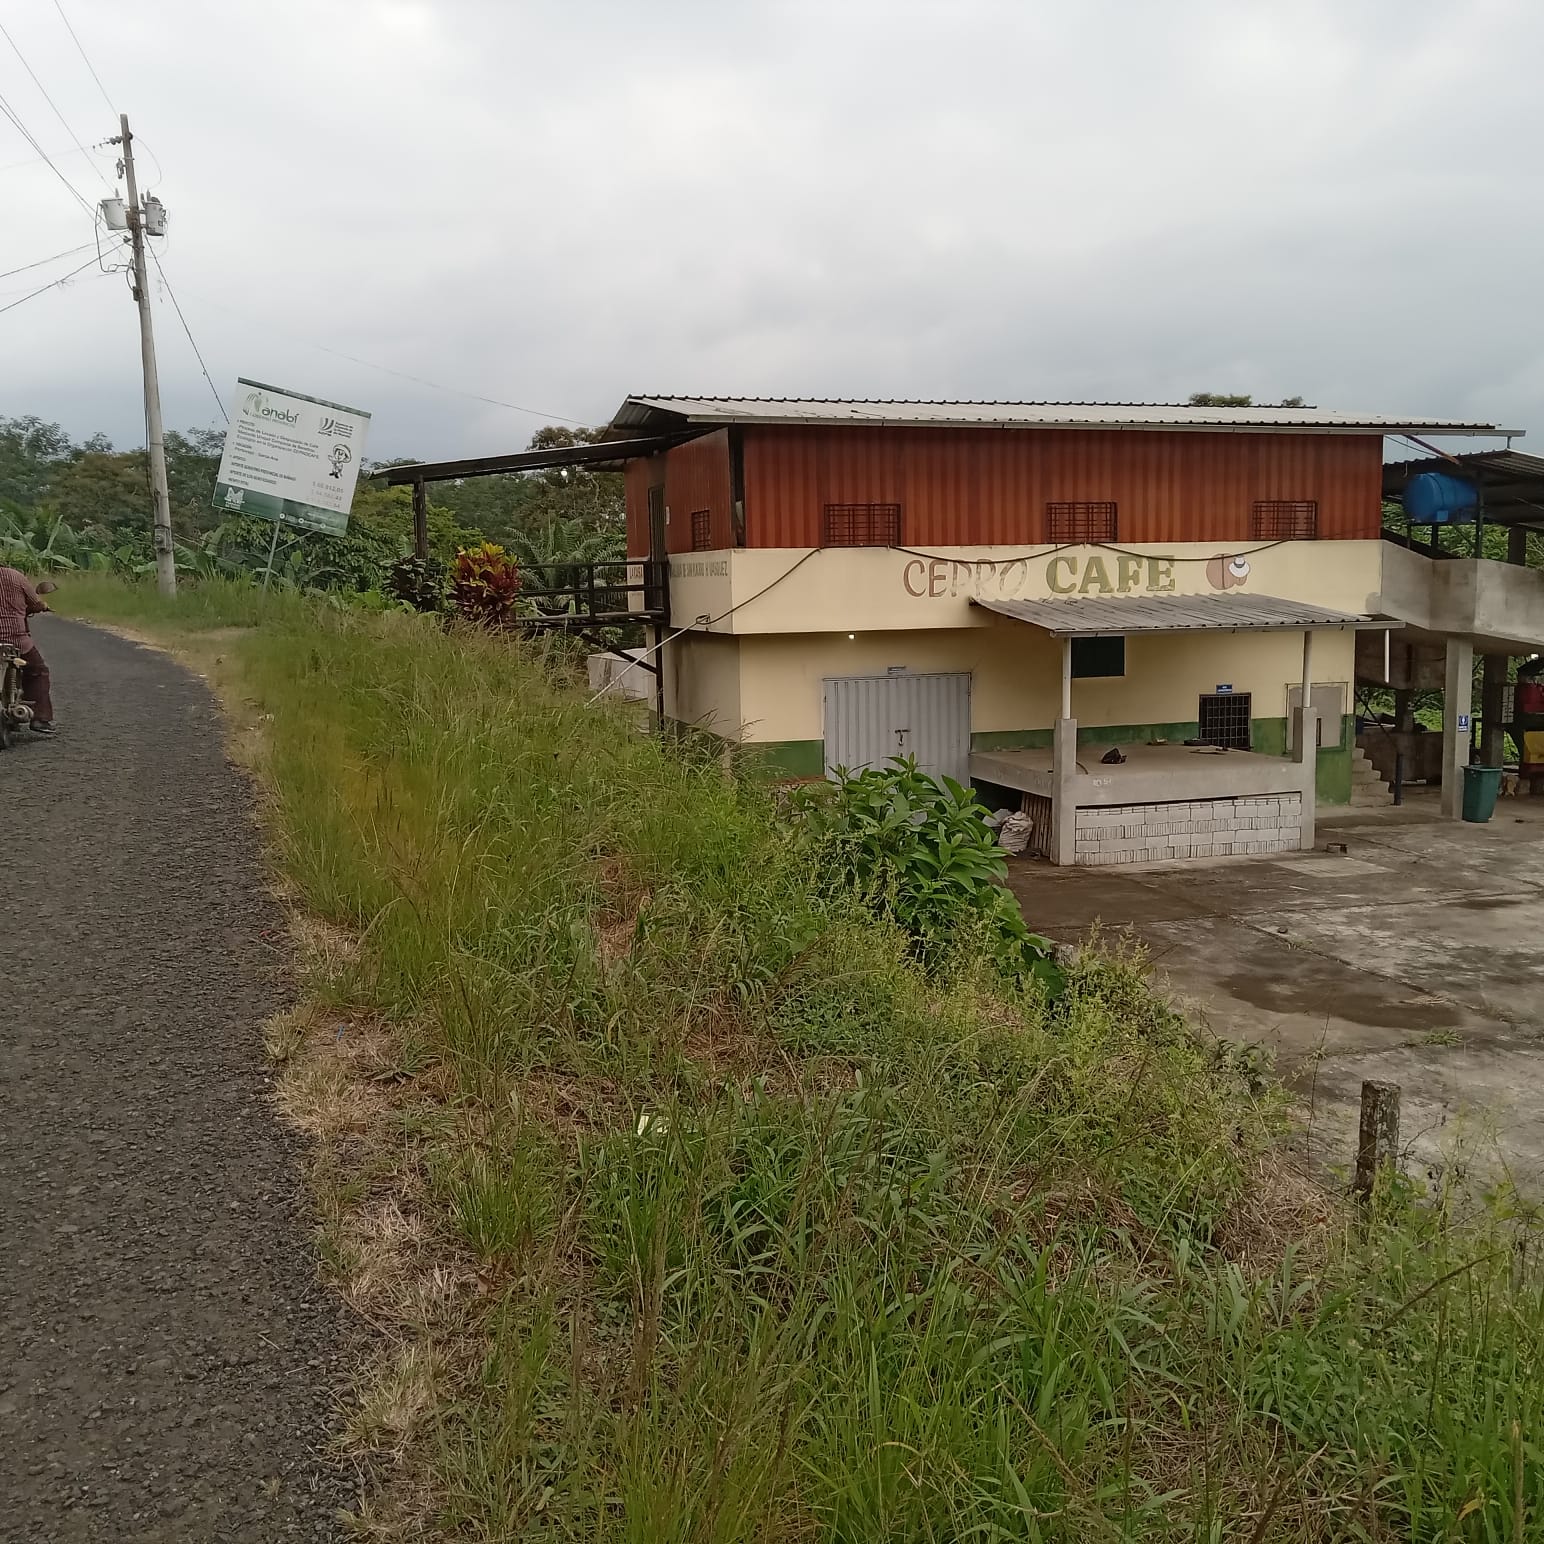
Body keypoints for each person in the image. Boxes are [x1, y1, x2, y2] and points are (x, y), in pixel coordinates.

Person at [0, 566, 57, 736]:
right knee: (38, 672)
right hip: (15, 640)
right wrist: (43, 606)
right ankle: (40, 718)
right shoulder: (15, 577)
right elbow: (35, 603)